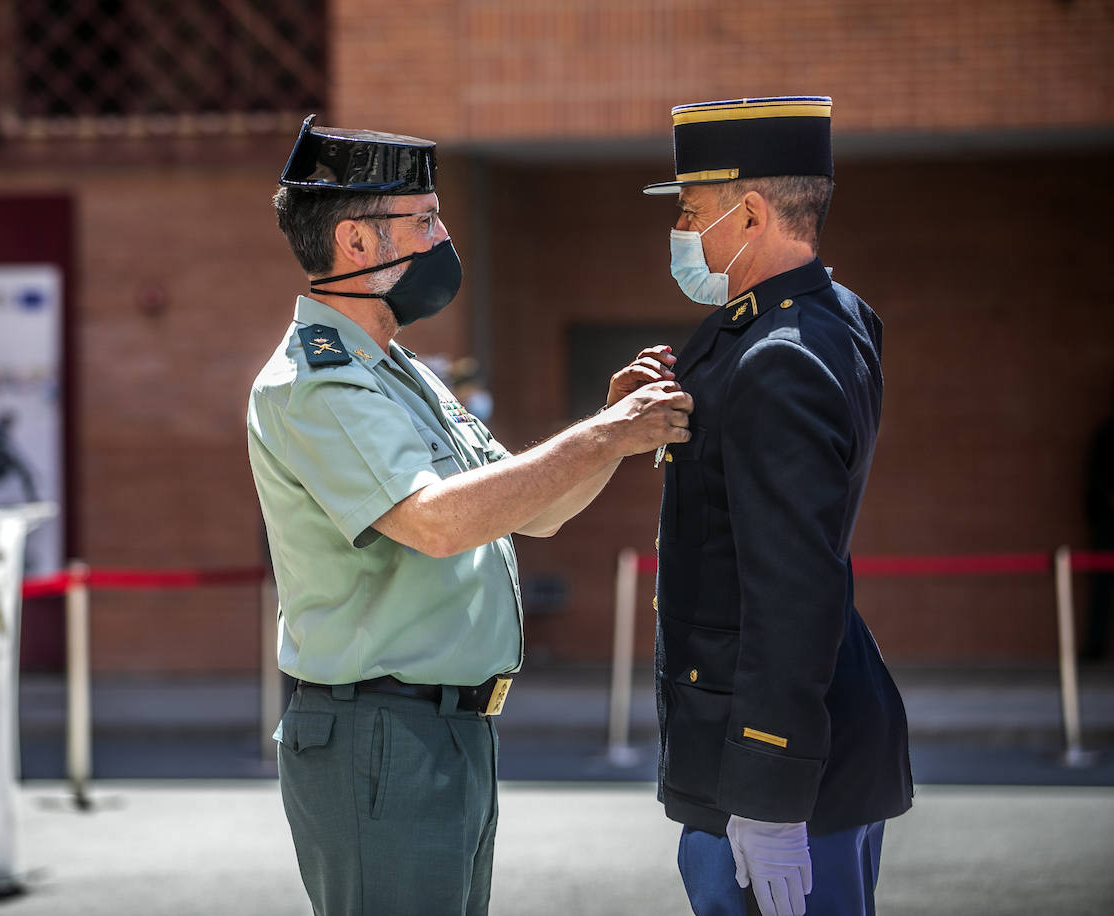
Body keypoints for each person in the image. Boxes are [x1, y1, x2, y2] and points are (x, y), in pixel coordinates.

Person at [247, 115, 694, 916]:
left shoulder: (398, 370)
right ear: (356, 241)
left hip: (443, 729)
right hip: (380, 732)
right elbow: (438, 523)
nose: (444, 236)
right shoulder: (315, 383)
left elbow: (533, 513)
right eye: (423, 220)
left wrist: (608, 439)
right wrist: (600, 435)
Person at [640, 96, 913, 916]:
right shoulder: (824, 316)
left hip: (772, 767)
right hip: (812, 743)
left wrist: (768, 788)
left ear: (751, 213)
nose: (680, 231)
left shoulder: (777, 358)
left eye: (691, 212)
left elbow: (792, 586)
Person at [1083, 392, 1114, 661]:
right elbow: (1096, 480)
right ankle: (1095, 648)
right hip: (1108, 522)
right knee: (1101, 589)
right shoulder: (1107, 435)